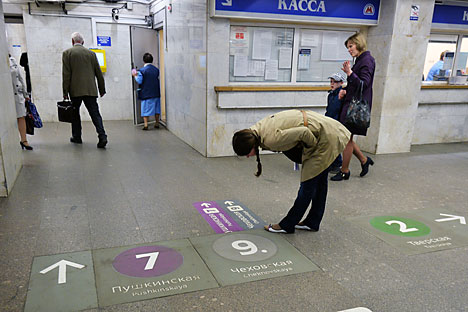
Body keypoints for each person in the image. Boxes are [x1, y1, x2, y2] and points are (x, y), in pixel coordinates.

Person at [232, 110, 351, 234]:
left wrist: (311, 150)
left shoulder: (271, 139)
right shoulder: (255, 131)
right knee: (320, 182)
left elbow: (304, 133)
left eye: (247, 153)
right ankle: (312, 222)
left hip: (324, 138)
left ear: (251, 146)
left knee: (307, 186)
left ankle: (287, 225)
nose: (247, 157)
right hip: (327, 128)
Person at [331, 33, 375, 181]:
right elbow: (357, 85)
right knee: (347, 137)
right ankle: (364, 160)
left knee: (346, 138)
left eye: (351, 46)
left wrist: (350, 73)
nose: (349, 50)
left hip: (355, 107)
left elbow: (364, 84)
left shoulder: (367, 60)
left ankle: (345, 171)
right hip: (351, 104)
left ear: (359, 43)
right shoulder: (361, 60)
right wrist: (345, 90)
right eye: (348, 47)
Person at [62, 32, 107, 148]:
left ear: (72, 41)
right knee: (95, 114)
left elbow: (66, 74)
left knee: (75, 115)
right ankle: (102, 136)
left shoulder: (67, 53)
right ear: (83, 42)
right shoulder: (91, 54)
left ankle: (77, 137)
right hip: (90, 90)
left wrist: (65, 92)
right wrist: (102, 89)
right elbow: (99, 73)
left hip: (75, 91)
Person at [131, 53, 161, 130]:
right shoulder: (156, 70)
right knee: (157, 109)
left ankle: (146, 125)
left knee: (145, 109)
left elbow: (139, 81)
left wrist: (135, 75)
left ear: (143, 61)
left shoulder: (142, 71)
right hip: (156, 92)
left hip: (146, 93)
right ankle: (157, 123)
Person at [9, 55, 33, 150]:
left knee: (21, 116)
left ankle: (24, 140)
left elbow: (20, 78)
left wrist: (25, 94)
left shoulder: (12, 60)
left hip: (17, 94)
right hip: (6, 95)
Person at [326, 72, 346, 174]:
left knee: (334, 144)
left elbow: (337, 109)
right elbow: (329, 109)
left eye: (335, 82)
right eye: (331, 82)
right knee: (330, 143)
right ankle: (332, 163)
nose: (332, 84)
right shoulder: (331, 94)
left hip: (336, 122)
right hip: (329, 120)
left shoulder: (341, 94)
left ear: (341, 83)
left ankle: (337, 164)